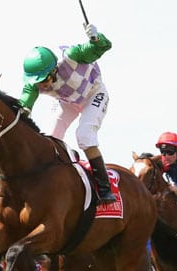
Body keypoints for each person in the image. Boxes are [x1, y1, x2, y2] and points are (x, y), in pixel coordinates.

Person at [18, 23, 115, 204]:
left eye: (44, 80)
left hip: (94, 93)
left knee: (84, 135)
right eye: (37, 82)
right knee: (50, 138)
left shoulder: (72, 56)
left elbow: (104, 46)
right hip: (68, 101)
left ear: (54, 69)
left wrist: (95, 38)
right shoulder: (33, 83)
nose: (42, 86)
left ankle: (104, 188)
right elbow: (23, 107)